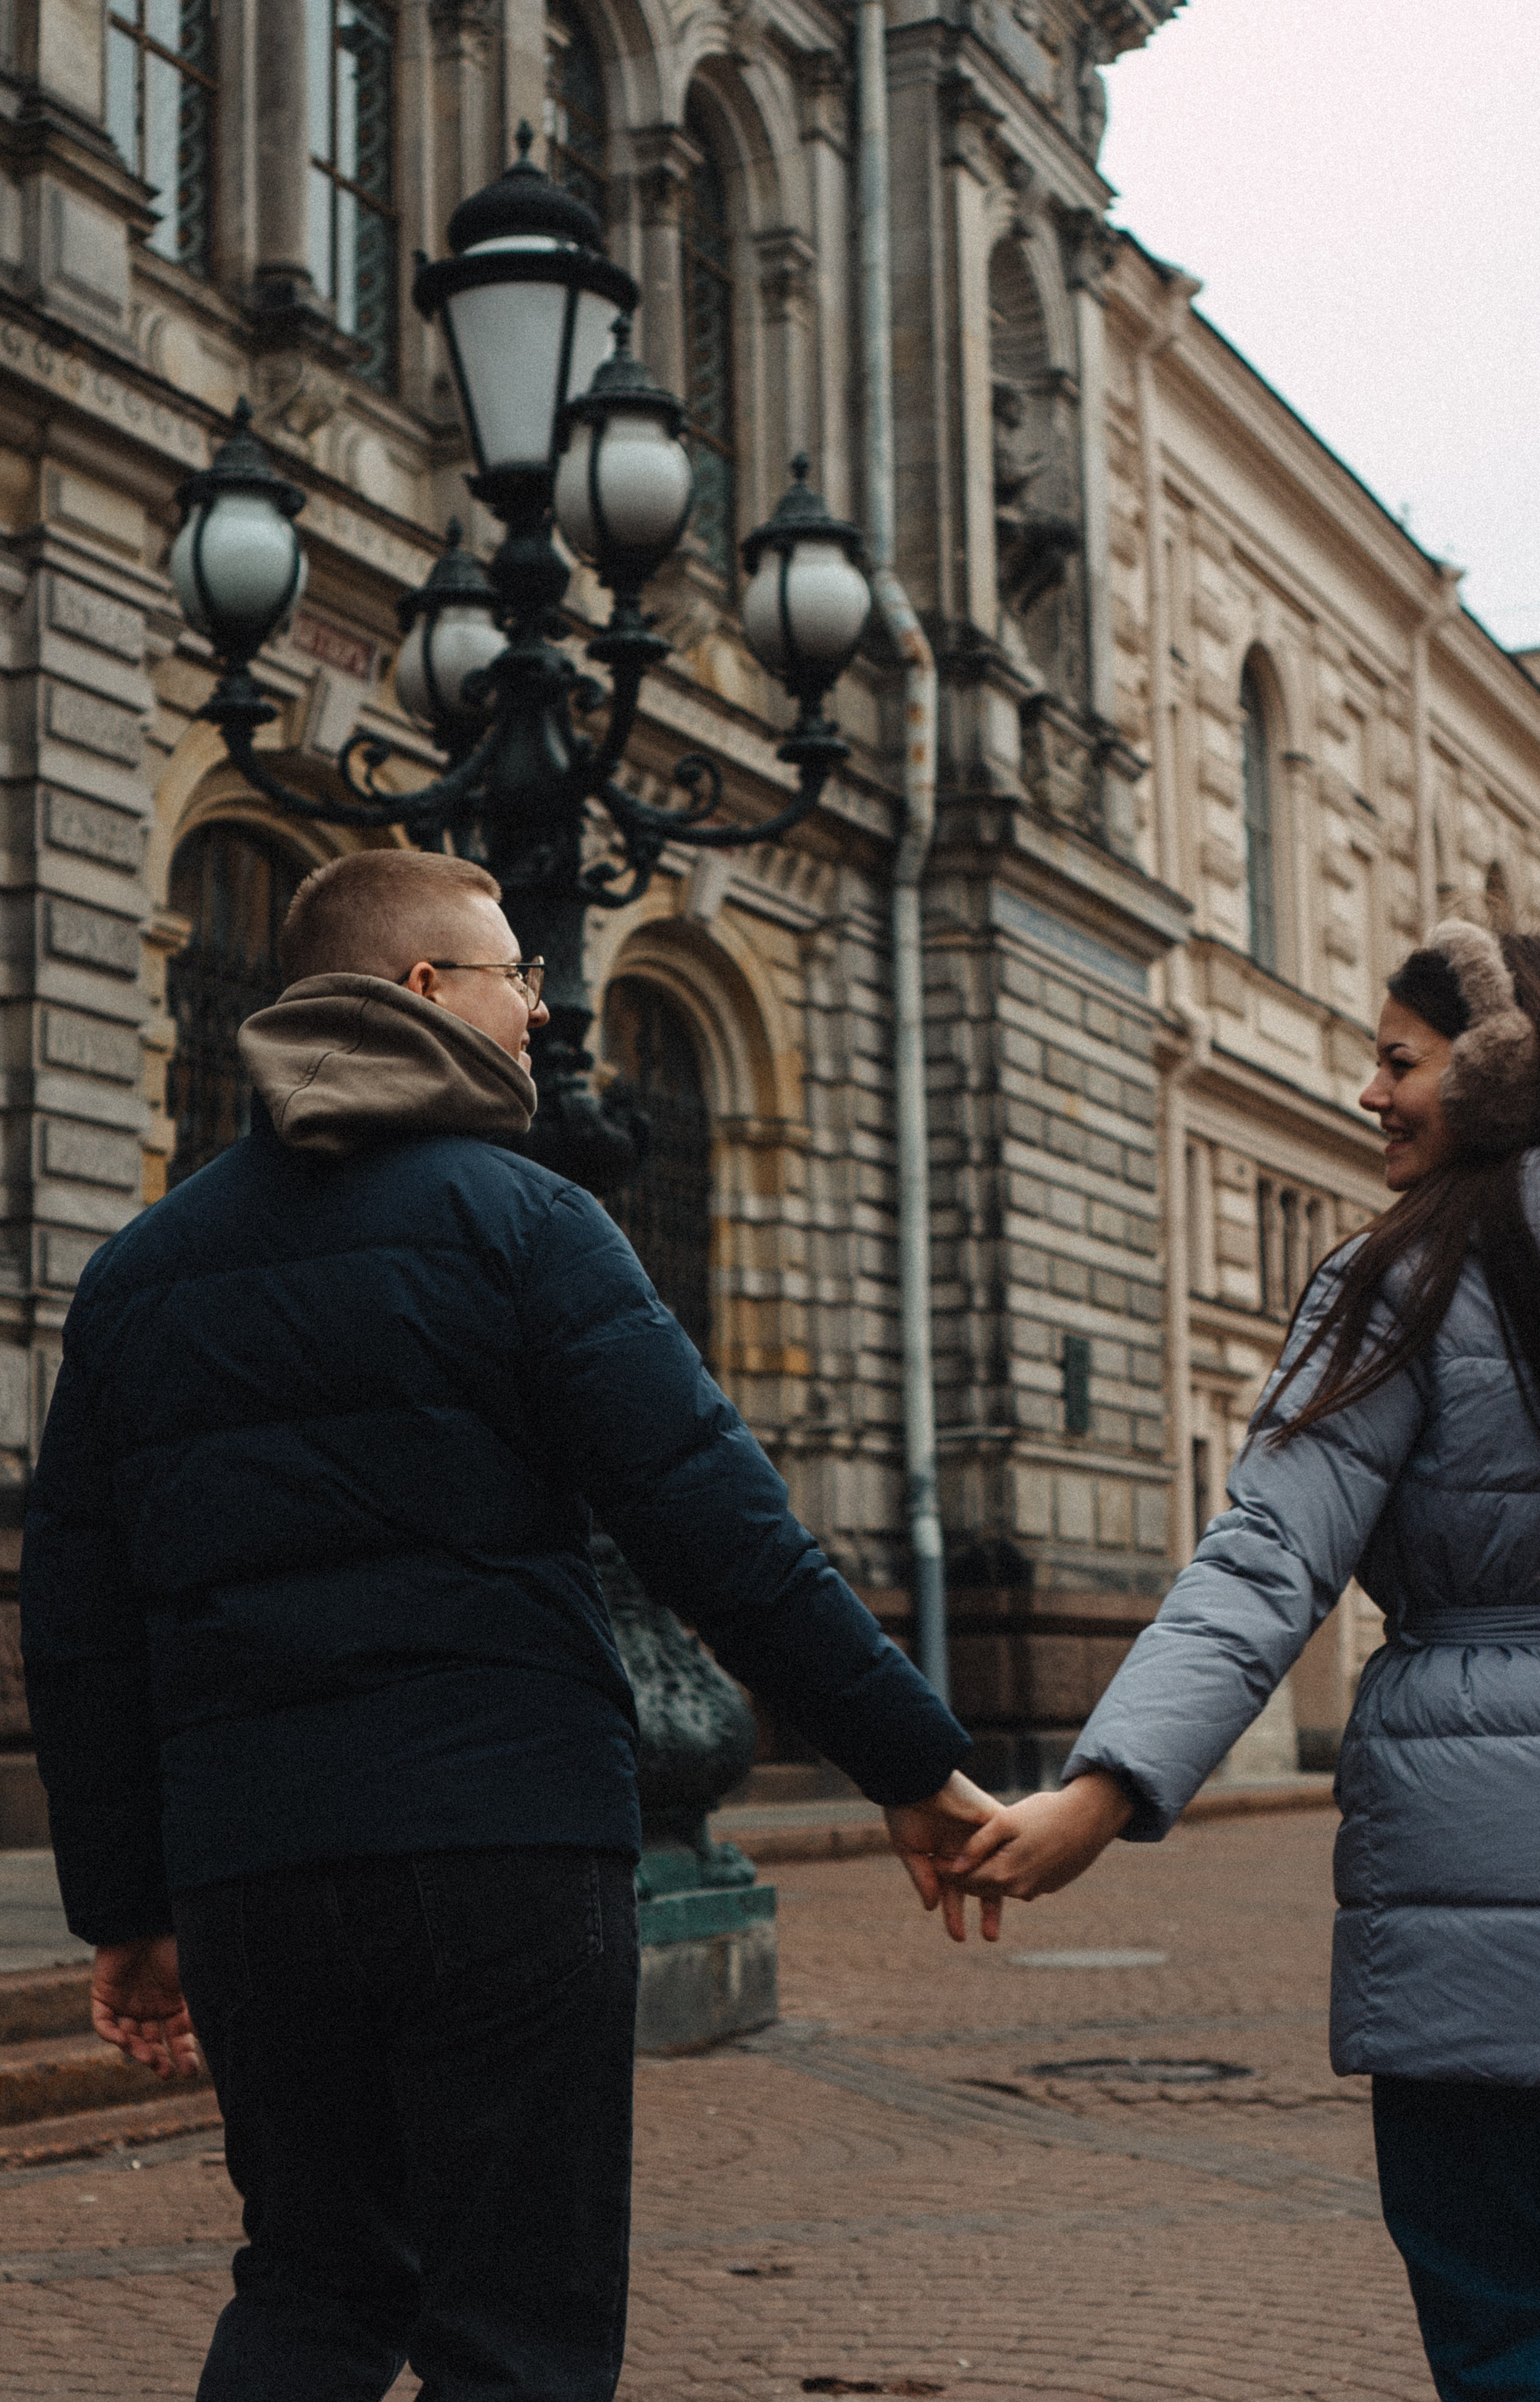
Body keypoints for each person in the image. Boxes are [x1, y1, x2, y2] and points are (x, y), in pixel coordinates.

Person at [20, 847, 997, 2402]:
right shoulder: (527, 1226)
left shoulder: (139, 1277)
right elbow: (718, 1525)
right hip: (502, 1846)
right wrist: (910, 1761)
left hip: (253, 1865)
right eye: (515, 978)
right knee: (515, 2333)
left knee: (309, 2290)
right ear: (424, 992)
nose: (540, 1012)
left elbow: (76, 1629)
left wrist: (129, 1909)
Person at [941, 918, 1540, 2402]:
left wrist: (1099, 1790)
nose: (1366, 1093)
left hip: (1478, 1911)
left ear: (1498, 1066)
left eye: (1396, 1061)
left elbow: (1268, 1557)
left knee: (1522, 2324)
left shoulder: (1406, 1276)